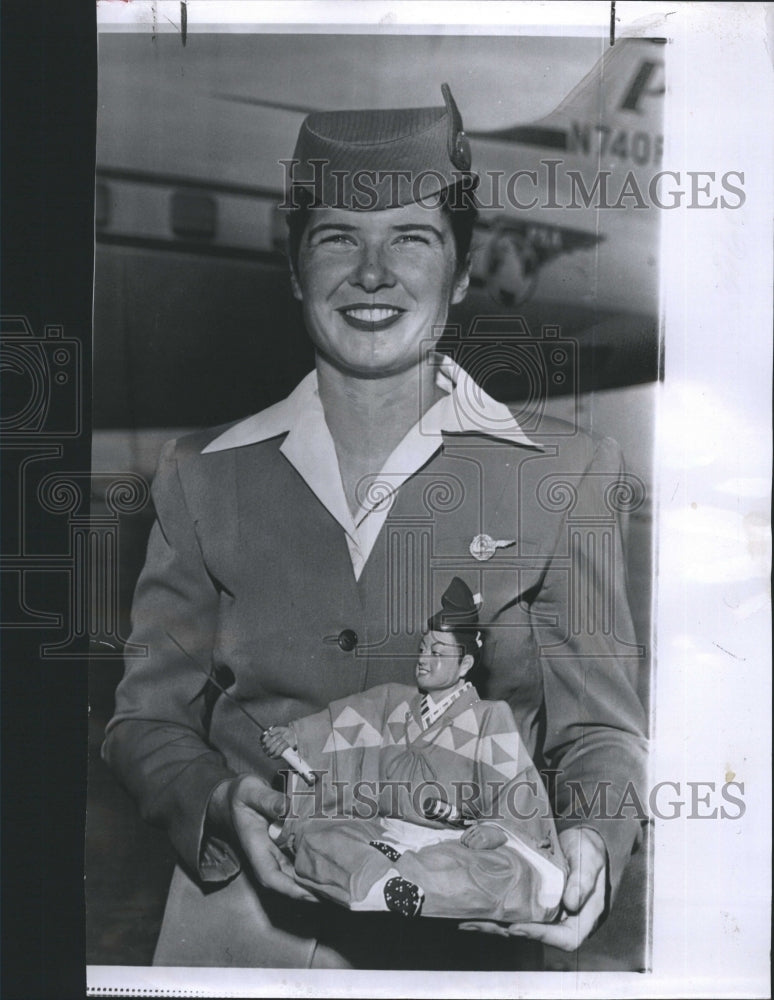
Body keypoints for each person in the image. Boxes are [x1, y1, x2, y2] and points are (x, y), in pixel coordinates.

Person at [103, 84, 648, 970]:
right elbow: (144, 722)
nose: (371, 273)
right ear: (294, 269)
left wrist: (590, 840)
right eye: (337, 240)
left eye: (413, 238)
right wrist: (215, 800)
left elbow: (600, 735)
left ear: (464, 272)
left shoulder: (567, 475)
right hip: (237, 940)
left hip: (468, 937)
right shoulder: (201, 475)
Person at [260, 576, 569, 924]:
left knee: (498, 870)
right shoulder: (392, 700)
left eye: (437, 653)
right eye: (423, 649)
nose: (423, 659)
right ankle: (384, 881)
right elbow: (336, 727)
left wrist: (498, 828)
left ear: (465, 665)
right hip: (381, 831)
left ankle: (390, 882)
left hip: (451, 843)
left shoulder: (488, 718)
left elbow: (517, 786)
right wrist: (294, 736)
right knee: (323, 840)